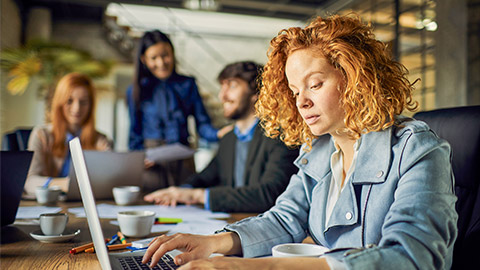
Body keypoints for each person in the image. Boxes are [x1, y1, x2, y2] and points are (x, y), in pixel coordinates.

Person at [141, 14, 458, 269]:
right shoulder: (318, 149)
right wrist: (212, 243)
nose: (301, 102)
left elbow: (413, 257)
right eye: (294, 92)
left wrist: (256, 268)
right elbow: (285, 218)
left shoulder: (417, 149)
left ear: (354, 78)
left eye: (315, 84)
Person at [143, 61, 299, 212]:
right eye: (222, 86)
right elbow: (205, 177)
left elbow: (268, 194)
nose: (222, 96)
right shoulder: (229, 138)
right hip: (232, 221)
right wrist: (179, 192)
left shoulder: (280, 136)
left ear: (257, 91)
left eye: (232, 85)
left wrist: (196, 195)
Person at [127, 30, 231, 190]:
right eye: (154, 58)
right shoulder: (136, 90)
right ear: (144, 60)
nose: (161, 63)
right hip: (152, 164)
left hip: (183, 160)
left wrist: (218, 134)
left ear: (173, 54)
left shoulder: (188, 84)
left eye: (165, 55)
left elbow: (202, 124)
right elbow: (134, 134)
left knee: (186, 205)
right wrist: (139, 158)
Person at [24, 72, 112, 197]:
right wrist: (64, 184)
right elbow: (29, 182)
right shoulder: (41, 135)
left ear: (91, 106)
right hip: (51, 205)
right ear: (60, 102)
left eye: (83, 102)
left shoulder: (101, 140)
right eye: (69, 101)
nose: (76, 108)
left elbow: (109, 181)